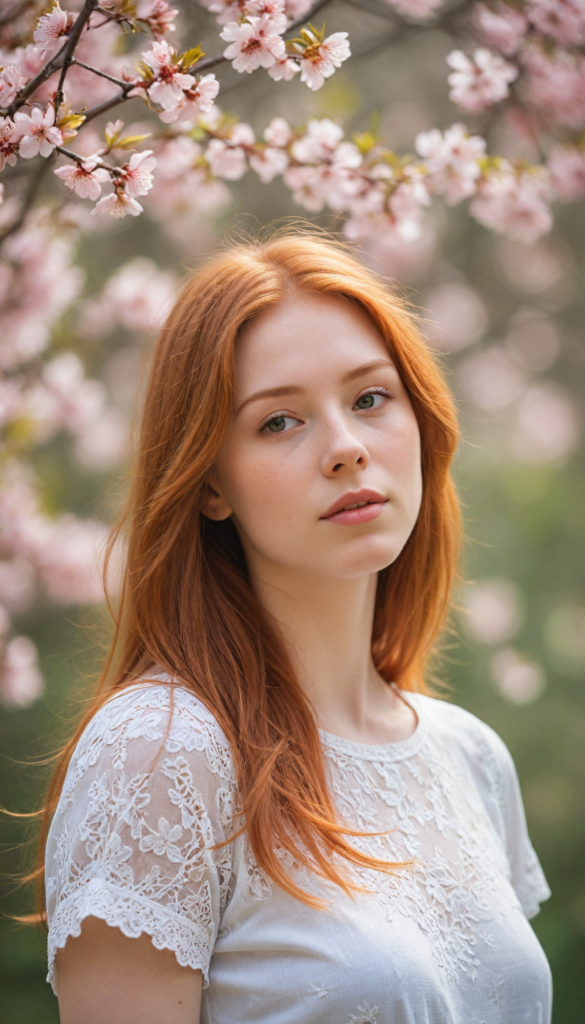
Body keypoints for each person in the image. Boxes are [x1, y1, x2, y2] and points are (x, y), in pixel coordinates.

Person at [41, 229, 552, 1024]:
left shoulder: (471, 757)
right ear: (209, 483)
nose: (347, 448)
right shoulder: (159, 755)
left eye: (370, 398)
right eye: (279, 421)